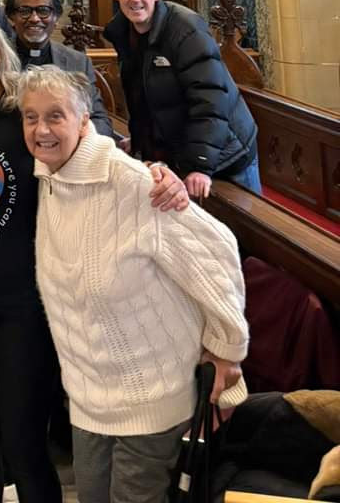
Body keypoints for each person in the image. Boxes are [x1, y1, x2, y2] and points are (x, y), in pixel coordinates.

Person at [0, 6, 186, 503]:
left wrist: (153, 174)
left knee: (23, 440)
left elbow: (87, 147)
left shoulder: (24, 108)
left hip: (26, 297)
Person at [20, 66, 249, 503]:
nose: (41, 129)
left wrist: (227, 348)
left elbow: (217, 249)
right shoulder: (51, 178)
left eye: (55, 116)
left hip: (150, 399)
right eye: (30, 117)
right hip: (89, 400)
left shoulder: (136, 184)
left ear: (84, 119)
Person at [104, 0, 260, 197]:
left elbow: (210, 99)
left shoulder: (186, 29)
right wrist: (140, 142)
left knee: (241, 231)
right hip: (181, 152)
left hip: (226, 151)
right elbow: (143, 95)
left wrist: (199, 164)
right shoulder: (122, 32)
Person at [5, 0, 114, 138]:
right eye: (24, 11)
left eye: (43, 10)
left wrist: (77, 143)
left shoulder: (77, 62)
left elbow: (99, 119)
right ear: (11, 17)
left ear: (55, 17)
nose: (34, 18)